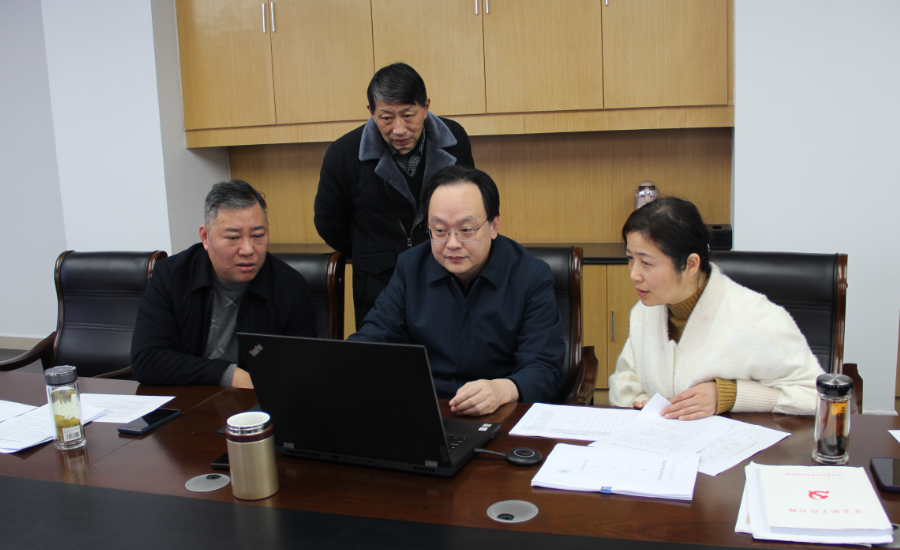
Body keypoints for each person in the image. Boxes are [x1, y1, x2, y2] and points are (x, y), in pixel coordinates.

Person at [347, 165, 565, 416]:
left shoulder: (530, 275)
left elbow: (544, 369)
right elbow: (371, 341)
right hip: (429, 410)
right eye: (440, 231)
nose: (452, 243)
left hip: (499, 412)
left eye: (466, 230)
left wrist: (502, 389)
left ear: (493, 226)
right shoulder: (411, 267)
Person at [609, 197, 823, 419]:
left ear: (690, 265)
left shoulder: (756, 318)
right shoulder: (645, 312)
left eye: (646, 263)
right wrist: (642, 403)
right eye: (630, 258)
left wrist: (730, 395)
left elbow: (816, 396)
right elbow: (626, 380)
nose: (634, 274)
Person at [314, 63, 475, 329]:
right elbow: (329, 223)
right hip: (378, 283)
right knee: (383, 351)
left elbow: (471, 203)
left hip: (445, 271)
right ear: (371, 111)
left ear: (426, 106)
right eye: (386, 118)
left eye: (408, 115)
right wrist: (373, 250)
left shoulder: (454, 139)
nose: (398, 129)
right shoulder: (343, 154)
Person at [131, 180, 316, 387]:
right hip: (187, 401)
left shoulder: (290, 287)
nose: (248, 249)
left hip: (255, 403)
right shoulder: (171, 277)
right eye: (233, 237)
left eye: (257, 235)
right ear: (205, 237)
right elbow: (146, 359)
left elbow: (302, 371)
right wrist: (230, 375)